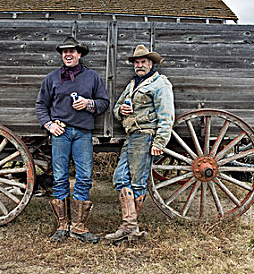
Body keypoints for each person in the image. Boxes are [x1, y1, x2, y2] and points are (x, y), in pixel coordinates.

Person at [35, 36, 109, 244]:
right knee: (60, 178)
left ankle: (79, 226)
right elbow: (41, 105)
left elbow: (103, 103)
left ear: (79, 54)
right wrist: (49, 125)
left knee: (84, 177)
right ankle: (62, 225)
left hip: (83, 133)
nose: (67, 54)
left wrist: (88, 104)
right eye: (64, 51)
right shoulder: (52, 78)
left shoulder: (92, 77)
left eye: (72, 51)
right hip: (61, 133)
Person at [105, 44, 175, 242]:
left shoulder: (159, 84)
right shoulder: (133, 84)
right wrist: (122, 112)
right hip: (132, 135)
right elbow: (117, 107)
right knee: (120, 178)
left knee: (136, 181)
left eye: (143, 62)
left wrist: (159, 142)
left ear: (151, 64)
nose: (140, 65)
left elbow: (166, 116)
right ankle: (131, 227)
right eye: (137, 62)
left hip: (146, 135)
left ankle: (130, 227)